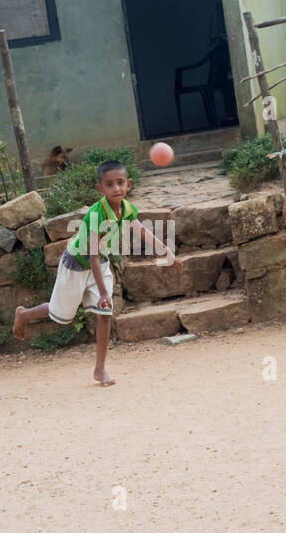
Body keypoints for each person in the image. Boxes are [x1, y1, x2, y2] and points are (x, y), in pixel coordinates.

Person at [14, 161, 181, 386]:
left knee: (105, 313)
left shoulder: (128, 209)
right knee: (60, 315)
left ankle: (100, 369)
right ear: (100, 189)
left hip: (101, 263)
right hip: (77, 264)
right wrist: (103, 292)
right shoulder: (96, 215)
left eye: (120, 183)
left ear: (129, 184)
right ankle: (24, 314)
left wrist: (166, 250)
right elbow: (91, 255)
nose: (116, 188)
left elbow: (140, 230)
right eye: (109, 184)